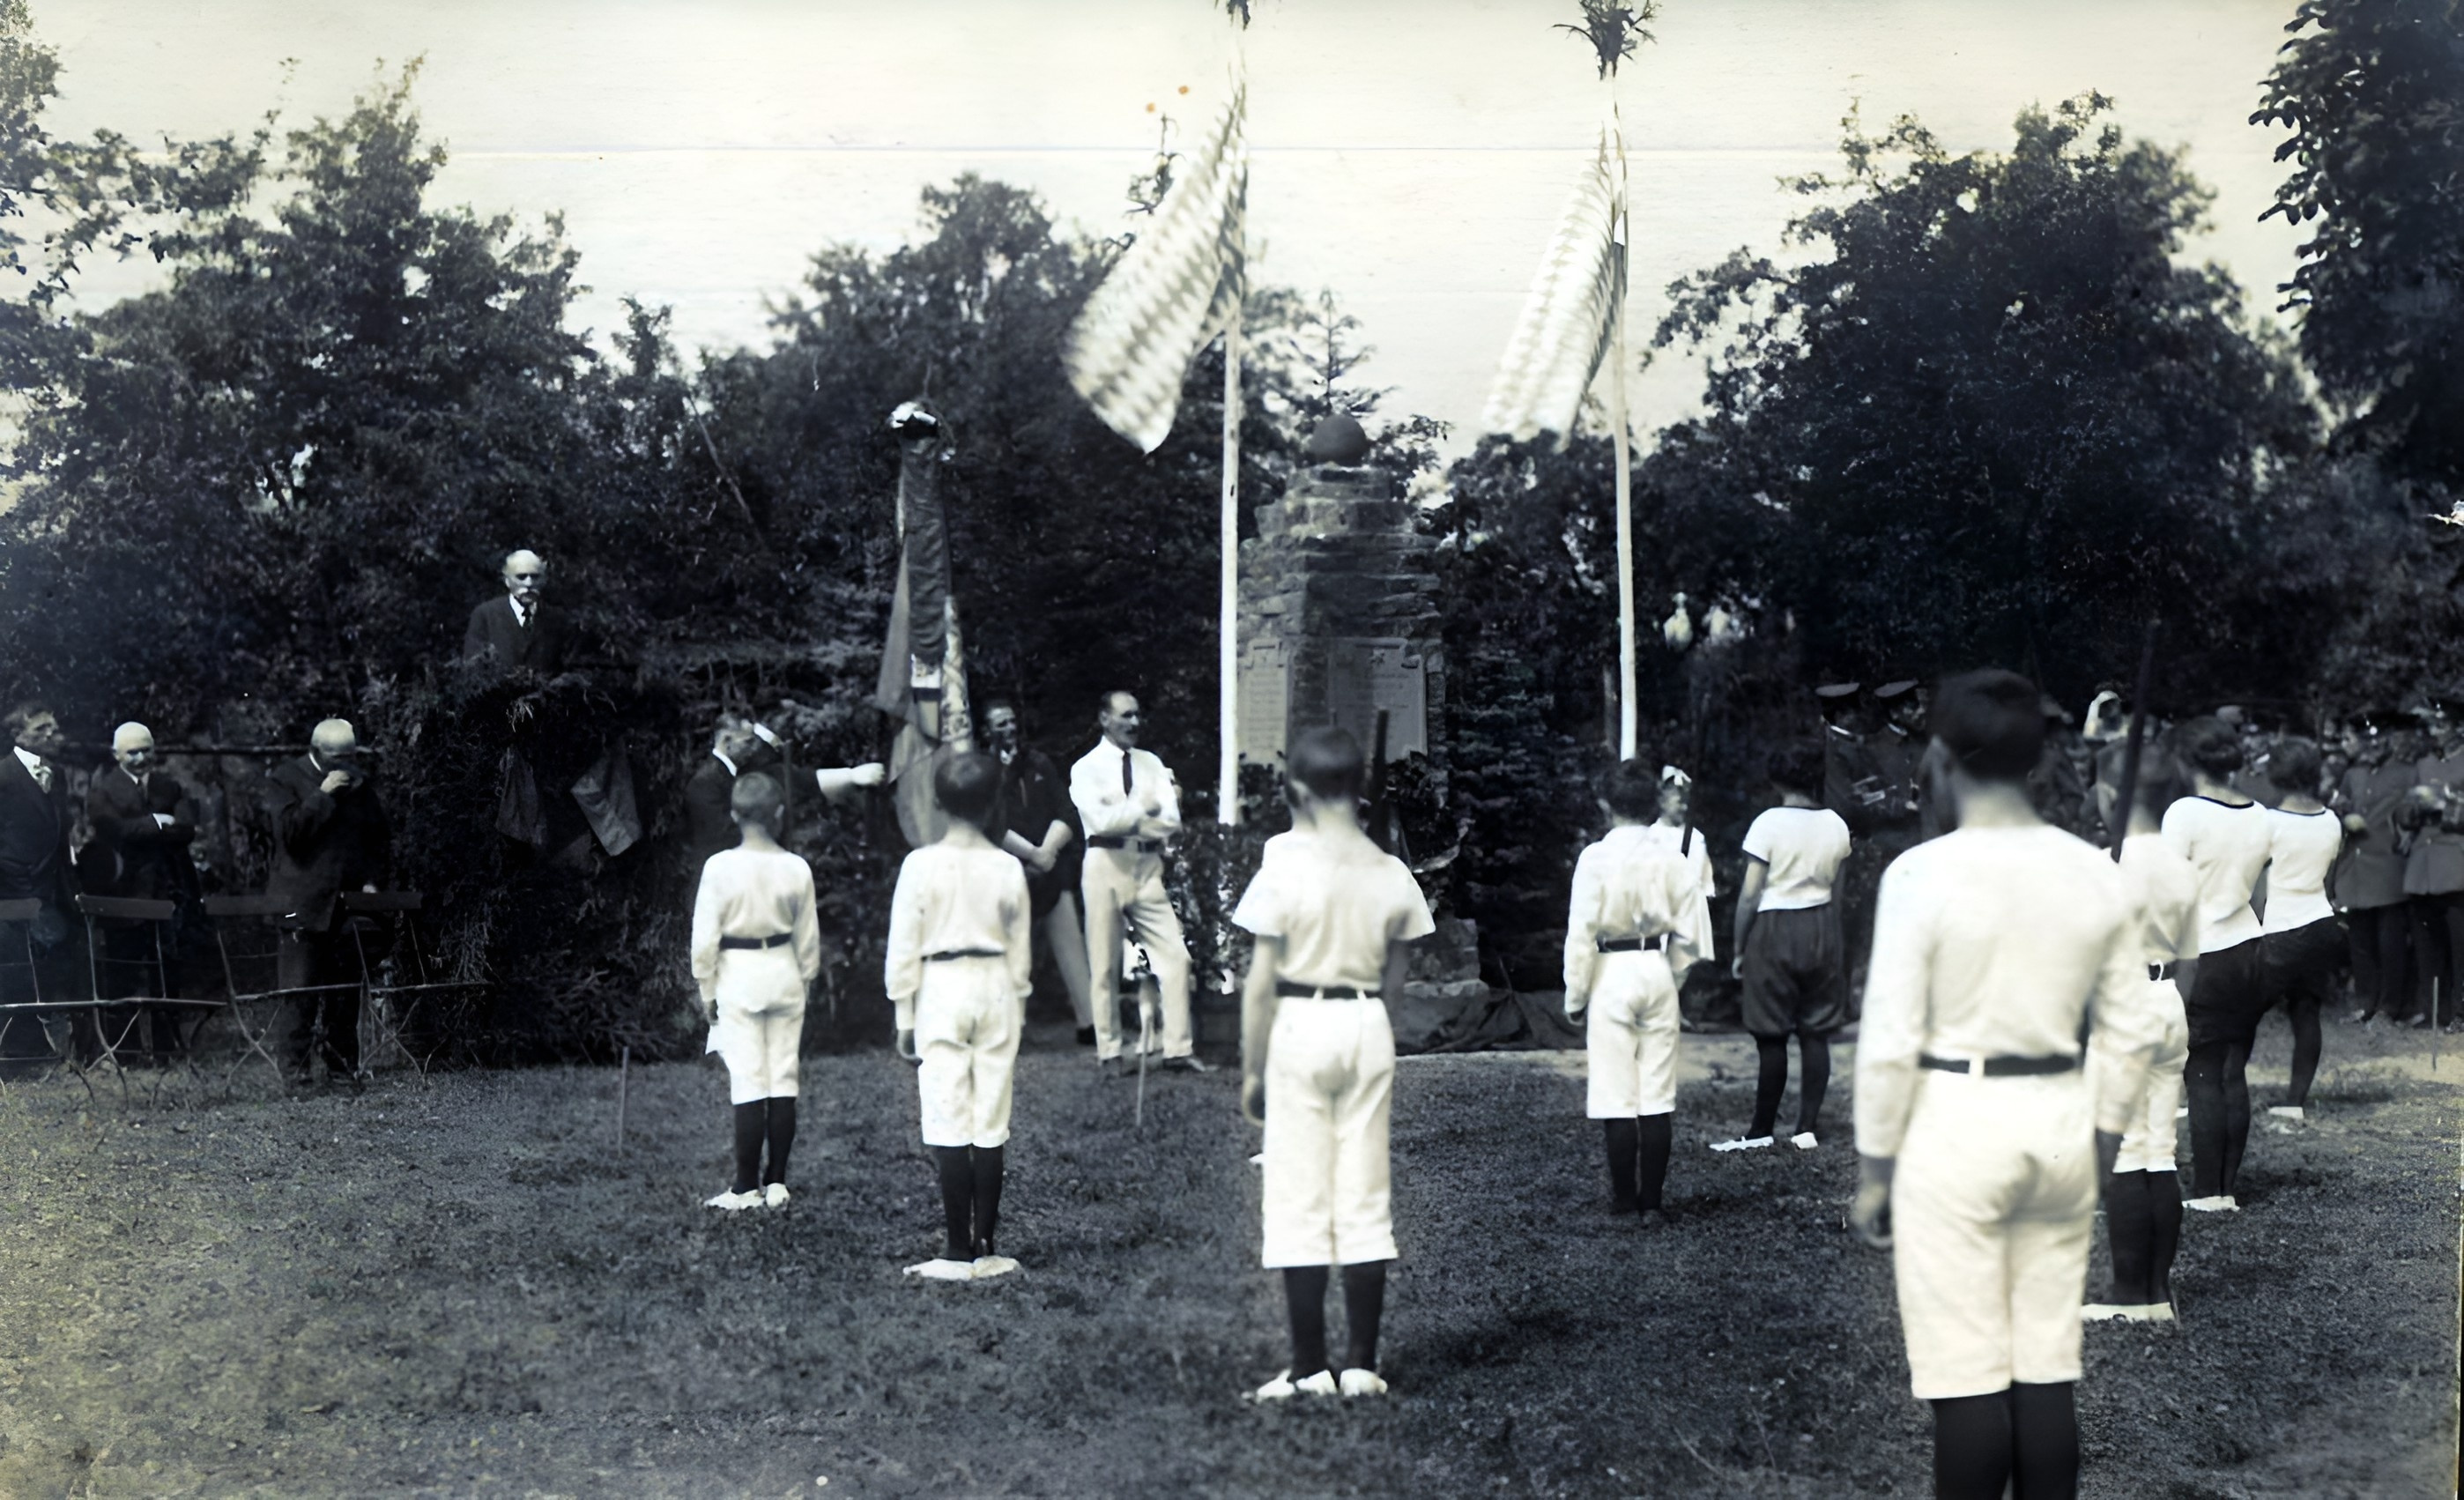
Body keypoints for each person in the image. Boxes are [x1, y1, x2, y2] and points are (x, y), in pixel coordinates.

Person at [1851, 670, 2160, 1500]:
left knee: (1968, 1378)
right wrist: (2099, 1137)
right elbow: (2131, 1029)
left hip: (1955, 1130)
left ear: (1943, 757)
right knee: (2044, 1369)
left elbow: (1888, 1041)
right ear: (2035, 759)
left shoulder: (1919, 876)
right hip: (2059, 1120)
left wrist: (1876, 1168)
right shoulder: (2094, 871)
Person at [1236, 727, 1434, 1400]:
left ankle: (1308, 1367)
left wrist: (1253, 1069)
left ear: (1296, 790)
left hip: (1300, 1020)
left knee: (1298, 1192)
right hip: (1365, 1024)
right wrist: (1374, 1033)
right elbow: (1396, 984)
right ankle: (1362, 1364)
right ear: (1361, 788)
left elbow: (1260, 983)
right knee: (1364, 1189)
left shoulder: (1283, 864)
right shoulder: (1391, 872)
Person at [885, 752, 1032, 1281]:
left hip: (942, 987)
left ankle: (956, 1248)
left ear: (937, 802)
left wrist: (904, 1013)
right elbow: (1020, 947)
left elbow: (904, 946)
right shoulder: (1008, 865)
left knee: (948, 1109)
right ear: (994, 802)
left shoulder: (921, 865)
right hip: (995, 986)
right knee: (990, 1113)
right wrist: (1017, 1000)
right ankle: (986, 1243)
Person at [2082, 747, 2200, 1324]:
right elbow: (2193, 956)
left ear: (2111, 796)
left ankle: (2135, 1296)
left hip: (2122, 1002)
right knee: (2160, 1149)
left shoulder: (2105, 866)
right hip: (2167, 997)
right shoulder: (2181, 866)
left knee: (2128, 1150)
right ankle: (2158, 1289)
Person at [1564, 759, 1704, 1224]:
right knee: (1657, 1092)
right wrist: (1673, 976)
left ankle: (1626, 1201)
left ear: (1605, 805)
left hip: (1612, 969)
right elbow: (1690, 933)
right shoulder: (1672, 858)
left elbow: (1581, 933)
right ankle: (1652, 1203)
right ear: (1652, 805)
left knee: (1616, 1090)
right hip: (1655, 966)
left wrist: (1575, 996)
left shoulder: (1595, 858)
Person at [690, 773, 821, 1211]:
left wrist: (705, 986)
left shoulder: (719, 867)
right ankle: (778, 1181)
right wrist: (807, 978)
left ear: (733, 814)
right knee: (783, 1076)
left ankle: (747, 1187)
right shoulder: (796, 867)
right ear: (780, 815)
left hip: (739, 976)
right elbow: (808, 938)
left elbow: (704, 937)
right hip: (783, 970)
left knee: (749, 1080)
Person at [2160, 717, 2273, 1212]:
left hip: (2202, 952)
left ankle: (2209, 1191)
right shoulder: (2260, 814)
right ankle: (2226, 1186)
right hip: (2250, 947)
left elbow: (2165, 889)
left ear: (2187, 762)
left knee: (2202, 1072)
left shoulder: (2184, 812)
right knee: (2232, 1071)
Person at [1718, 743, 1852, 1152]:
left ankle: (1760, 1130)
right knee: (1816, 1032)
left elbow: (1749, 895)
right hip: (1822, 925)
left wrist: (1740, 948)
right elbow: (1838, 890)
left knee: (1772, 1034)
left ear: (1776, 779)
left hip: (1775, 926)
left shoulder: (1768, 823)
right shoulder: (1836, 823)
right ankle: (1806, 1128)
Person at [1070, 692, 1201, 1073]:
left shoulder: (1151, 763)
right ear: (1105, 719)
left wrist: (1134, 814)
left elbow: (1170, 822)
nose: (1134, 723)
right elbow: (1102, 823)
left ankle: (1177, 1049)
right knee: (1105, 963)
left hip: (1146, 864)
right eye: (1126, 715)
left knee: (1175, 957)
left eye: (1138, 715)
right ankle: (1109, 1052)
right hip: (1105, 863)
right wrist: (1146, 806)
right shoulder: (1086, 768)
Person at [264, 718, 392, 1086]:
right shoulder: (285, 779)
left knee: (344, 993)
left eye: (350, 757)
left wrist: (372, 881)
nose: (345, 765)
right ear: (316, 751)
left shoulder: (360, 784)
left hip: (347, 905)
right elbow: (290, 836)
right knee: (299, 992)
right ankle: (296, 1074)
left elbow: (379, 839)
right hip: (300, 904)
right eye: (336, 758)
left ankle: (341, 1070)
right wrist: (322, 795)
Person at [981, 699, 1096, 1046]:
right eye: (1001, 724)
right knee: (1011, 953)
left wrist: (1047, 852)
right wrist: (1029, 854)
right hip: (1008, 874)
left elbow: (1066, 811)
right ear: (987, 731)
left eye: (1012, 721)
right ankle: (1008, 1028)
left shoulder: (1038, 762)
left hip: (1050, 870)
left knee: (1071, 948)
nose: (1010, 729)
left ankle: (1089, 1024)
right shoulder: (982, 770)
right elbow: (989, 823)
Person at [85, 723, 201, 1063]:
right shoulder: (103, 790)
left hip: (166, 892)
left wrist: (148, 828)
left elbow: (186, 830)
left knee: (166, 971)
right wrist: (156, 823)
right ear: (116, 755)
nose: (140, 758)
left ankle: (168, 1048)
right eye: (132, 752)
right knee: (124, 973)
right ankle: (126, 1051)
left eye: (145, 750)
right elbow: (112, 830)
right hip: (125, 893)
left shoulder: (170, 786)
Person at [2258, 739, 2345, 1121]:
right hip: (2320, 922)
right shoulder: (2332, 820)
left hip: (2278, 925)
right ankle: (2295, 1102)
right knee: (2306, 1014)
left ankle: (2214, 1090)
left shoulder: (2268, 822)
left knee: (2239, 1015)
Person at [683, 712, 884, 870]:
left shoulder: (744, 771)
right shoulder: (703, 785)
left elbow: (799, 778)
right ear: (727, 742)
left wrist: (849, 776)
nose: (753, 748)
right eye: (748, 742)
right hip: (721, 887)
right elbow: (725, 838)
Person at [0, 702, 78, 1065]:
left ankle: (63, 1048)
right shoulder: (3, 777)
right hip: (17, 890)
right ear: (18, 735)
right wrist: (16, 876)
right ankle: (22, 1052)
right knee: (20, 969)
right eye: (41, 729)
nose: (51, 735)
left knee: (57, 966)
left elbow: (59, 833)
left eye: (53, 728)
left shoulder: (57, 775)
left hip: (55, 888)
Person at [2330, 711, 2415, 1023]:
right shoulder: (2354, 774)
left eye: (2379, 738)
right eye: (2368, 739)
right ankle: (2366, 1003)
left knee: (2390, 944)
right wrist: (2342, 814)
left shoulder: (2408, 773)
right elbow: (2337, 806)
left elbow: (2413, 816)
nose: (2374, 745)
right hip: (2355, 870)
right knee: (2361, 943)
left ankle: (2389, 1008)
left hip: (2389, 867)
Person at [2399, 698, 2464, 1030]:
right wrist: (2410, 808)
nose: (2434, 733)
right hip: (2422, 868)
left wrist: (2444, 803)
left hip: (2456, 865)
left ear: (2459, 727)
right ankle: (2432, 1010)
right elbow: (2406, 814)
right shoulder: (2423, 764)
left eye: (2442, 725)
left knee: (2460, 949)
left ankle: (2461, 1015)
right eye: (2432, 726)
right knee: (2428, 947)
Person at [461, 549, 569, 675]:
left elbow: (571, 669)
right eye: (521, 577)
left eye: (535, 577)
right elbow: (472, 667)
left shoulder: (558, 619)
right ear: (507, 581)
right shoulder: (485, 615)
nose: (529, 584)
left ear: (544, 580)